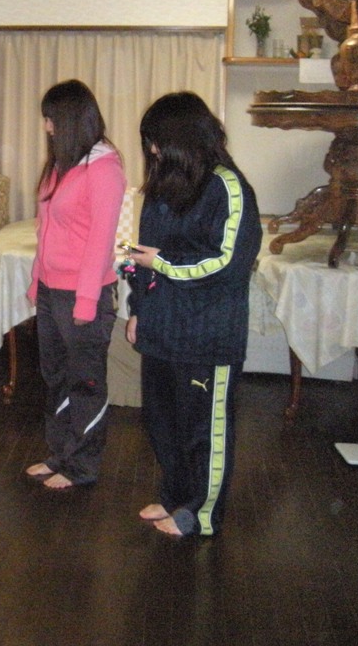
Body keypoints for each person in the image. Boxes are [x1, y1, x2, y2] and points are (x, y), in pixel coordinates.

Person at [124, 91, 262, 537]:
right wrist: (137, 310)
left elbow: (227, 261)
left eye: (156, 140)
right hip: (162, 327)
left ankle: (201, 514)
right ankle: (174, 496)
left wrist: (162, 262)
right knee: (163, 424)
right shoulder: (165, 185)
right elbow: (143, 257)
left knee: (205, 430)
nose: (152, 150)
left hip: (208, 334)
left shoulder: (227, 186)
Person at [26, 79, 126, 489]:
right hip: (52, 291)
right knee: (55, 378)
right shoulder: (61, 165)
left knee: (85, 382)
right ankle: (60, 454)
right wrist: (37, 281)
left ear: (69, 120)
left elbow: (101, 241)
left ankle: (82, 465)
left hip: (85, 295)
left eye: (51, 119)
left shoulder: (104, 168)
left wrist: (85, 301)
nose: (46, 127)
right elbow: (46, 228)